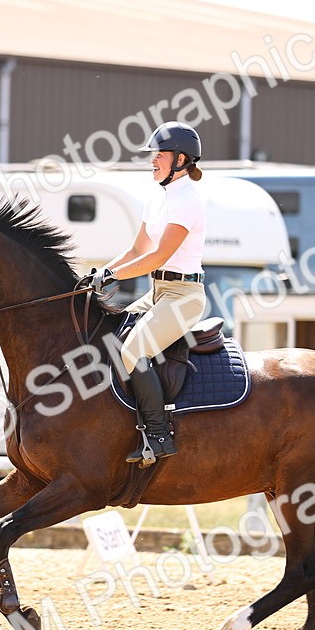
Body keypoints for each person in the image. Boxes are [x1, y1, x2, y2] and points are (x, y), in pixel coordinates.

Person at [92, 121, 207, 464]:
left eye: (159, 155)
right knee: (105, 333)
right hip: (157, 292)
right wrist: (98, 274)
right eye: (153, 155)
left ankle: (159, 436)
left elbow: (158, 256)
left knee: (131, 352)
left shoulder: (187, 201)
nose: (152, 160)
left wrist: (112, 275)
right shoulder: (157, 197)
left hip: (182, 296)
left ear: (181, 159)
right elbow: (136, 250)